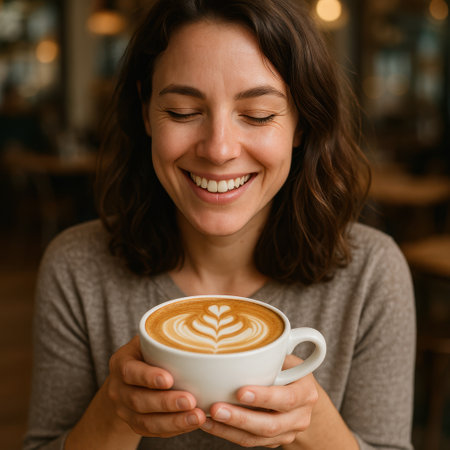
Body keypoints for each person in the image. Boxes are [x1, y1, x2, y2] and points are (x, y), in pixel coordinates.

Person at [24, 0, 416, 449]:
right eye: (183, 112)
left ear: (302, 124)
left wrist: (310, 423)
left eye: (258, 115)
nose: (218, 149)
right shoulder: (76, 267)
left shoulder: (372, 274)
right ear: (146, 111)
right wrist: (115, 413)